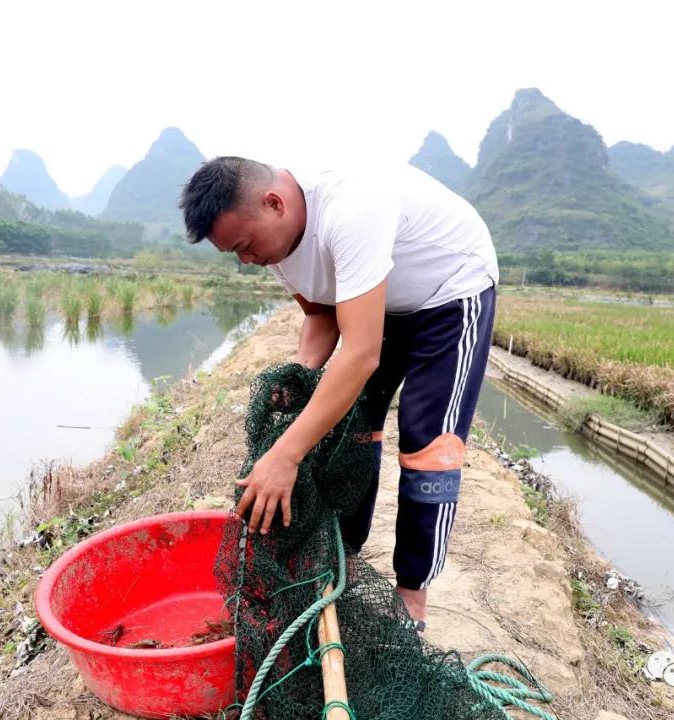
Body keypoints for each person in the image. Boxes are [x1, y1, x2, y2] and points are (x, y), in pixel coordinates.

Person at [179, 157, 498, 630]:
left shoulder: (350, 210)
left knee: (428, 446)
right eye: (234, 254)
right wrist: (300, 378)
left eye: (245, 246)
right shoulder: (276, 245)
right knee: (350, 427)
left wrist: (285, 455)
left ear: (274, 204)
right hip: (378, 301)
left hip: (449, 295)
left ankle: (411, 597)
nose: (246, 260)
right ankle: (343, 552)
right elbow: (321, 316)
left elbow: (361, 353)